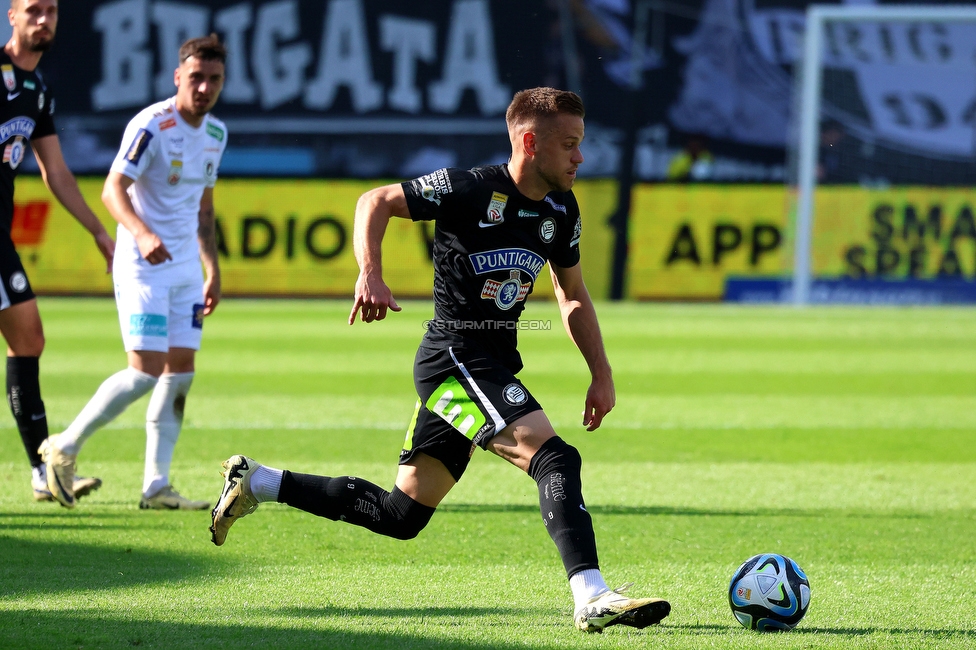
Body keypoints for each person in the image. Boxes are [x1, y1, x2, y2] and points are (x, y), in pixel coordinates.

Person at [210, 87, 671, 633]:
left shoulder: (560, 209)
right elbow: (373, 201)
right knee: (555, 459)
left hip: (485, 365)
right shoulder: (469, 188)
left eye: (581, 144)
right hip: (454, 358)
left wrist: (602, 372)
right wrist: (370, 273)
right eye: (570, 145)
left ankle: (258, 481)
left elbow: (570, 295)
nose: (580, 157)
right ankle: (590, 595)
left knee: (400, 516)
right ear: (529, 141)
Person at [40, 34, 227, 510]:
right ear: (177, 77)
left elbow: (205, 210)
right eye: (196, 77)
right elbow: (112, 189)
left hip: (186, 269)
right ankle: (64, 447)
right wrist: (142, 234)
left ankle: (156, 486)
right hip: (142, 266)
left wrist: (212, 268)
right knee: (145, 371)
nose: (204, 87)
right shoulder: (152, 124)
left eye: (214, 79)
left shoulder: (216, 135)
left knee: (180, 373)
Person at [0, 0, 114, 502]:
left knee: (28, 340)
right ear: (12, 16)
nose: (43, 19)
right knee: (28, 340)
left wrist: (97, 230)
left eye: (51, 11)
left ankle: (40, 473)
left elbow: (57, 173)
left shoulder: (38, 90)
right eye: (33, 10)